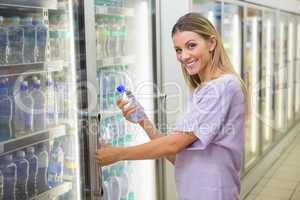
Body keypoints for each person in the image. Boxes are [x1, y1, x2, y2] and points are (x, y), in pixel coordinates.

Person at [95, 12, 247, 200]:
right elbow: (178, 156)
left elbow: (173, 145)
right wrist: (142, 119)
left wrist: (118, 154)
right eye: (178, 50)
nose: (184, 56)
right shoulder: (201, 91)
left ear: (212, 43)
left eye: (191, 45)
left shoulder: (224, 86)